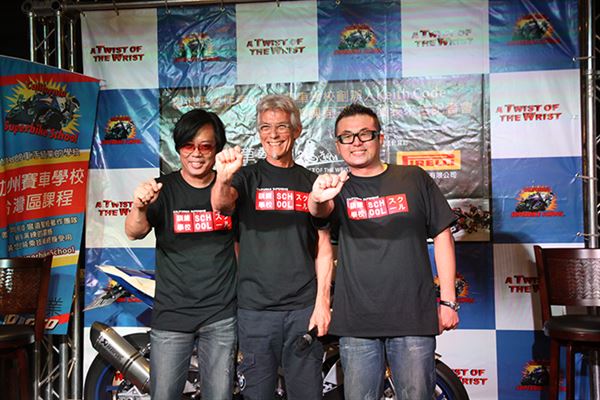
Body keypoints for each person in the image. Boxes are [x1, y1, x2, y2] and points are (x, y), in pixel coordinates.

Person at [308, 103, 459, 400]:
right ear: (338, 145)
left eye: (365, 134)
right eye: (347, 136)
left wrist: (448, 301)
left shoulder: (413, 178)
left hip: (413, 317)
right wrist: (316, 197)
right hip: (357, 322)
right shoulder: (336, 189)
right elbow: (319, 213)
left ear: (380, 138)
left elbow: (443, 236)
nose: (356, 142)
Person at [211, 94, 333, 400]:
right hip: (255, 311)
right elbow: (221, 205)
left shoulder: (311, 182)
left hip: (303, 309)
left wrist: (322, 303)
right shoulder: (246, 177)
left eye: (281, 126)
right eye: (265, 127)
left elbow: (324, 247)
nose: (273, 134)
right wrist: (223, 178)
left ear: (296, 130)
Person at [124, 109, 237, 400]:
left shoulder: (230, 190)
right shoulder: (163, 189)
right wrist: (139, 206)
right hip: (172, 314)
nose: (196, 153)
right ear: (178, 148)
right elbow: (134, 232)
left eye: (205, 146)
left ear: (217, 149)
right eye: (188, 145)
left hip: (221, 313)